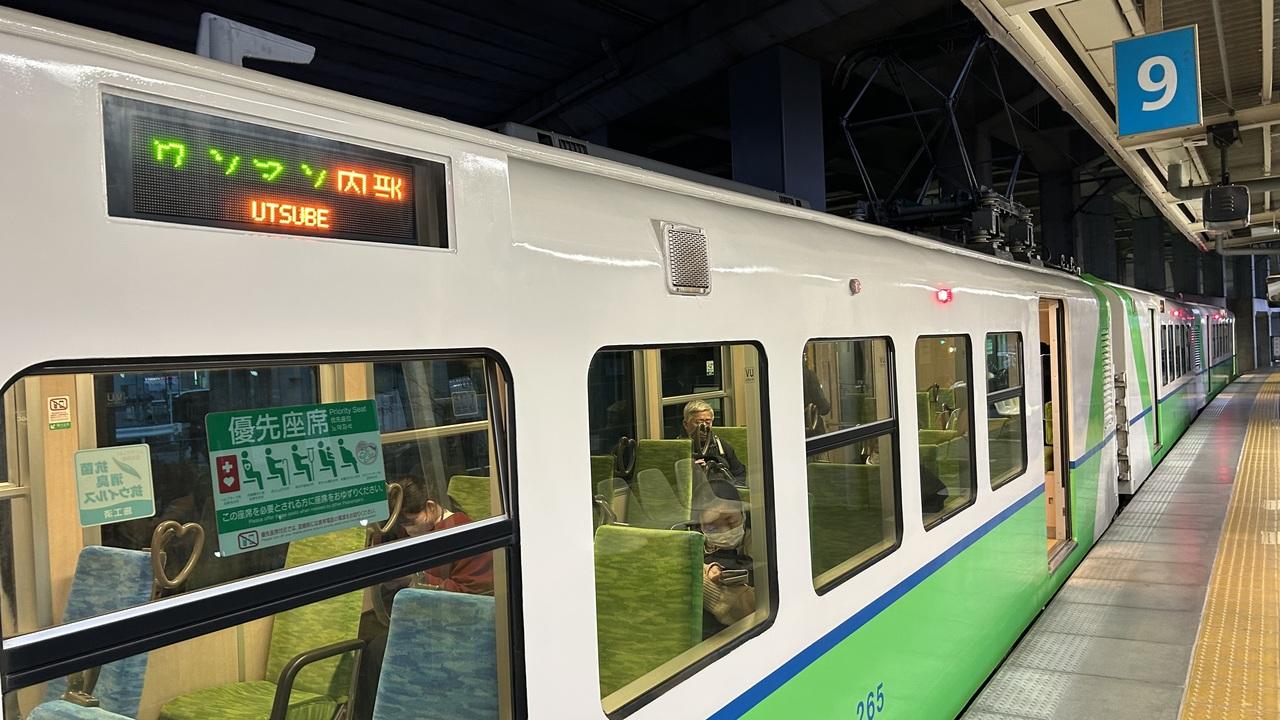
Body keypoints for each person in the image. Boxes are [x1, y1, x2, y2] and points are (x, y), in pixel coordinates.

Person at [354, 474, 493, 720]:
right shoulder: (412, 534)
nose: (407, 531)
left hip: (454, 624)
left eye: (410, 523)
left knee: (378, 651)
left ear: (430, 508)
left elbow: (473, 596)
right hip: (417, 617)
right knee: (365, 642)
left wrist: (414, 579)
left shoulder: (464, 533)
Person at [694, 476, 756, 639]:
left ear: (742, 513)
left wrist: (701, 581)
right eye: (712, 527)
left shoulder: (763, 540)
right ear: (700, 526)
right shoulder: (693, 546)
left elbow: (757, 609)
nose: (724, 531)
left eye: (730, 521)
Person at [681, 400, 746, 486]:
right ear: (686, 424)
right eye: (698, 423)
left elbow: (740, 475)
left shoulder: (722, 446)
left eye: (708, 422)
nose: (704, 428)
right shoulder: (680, 449)